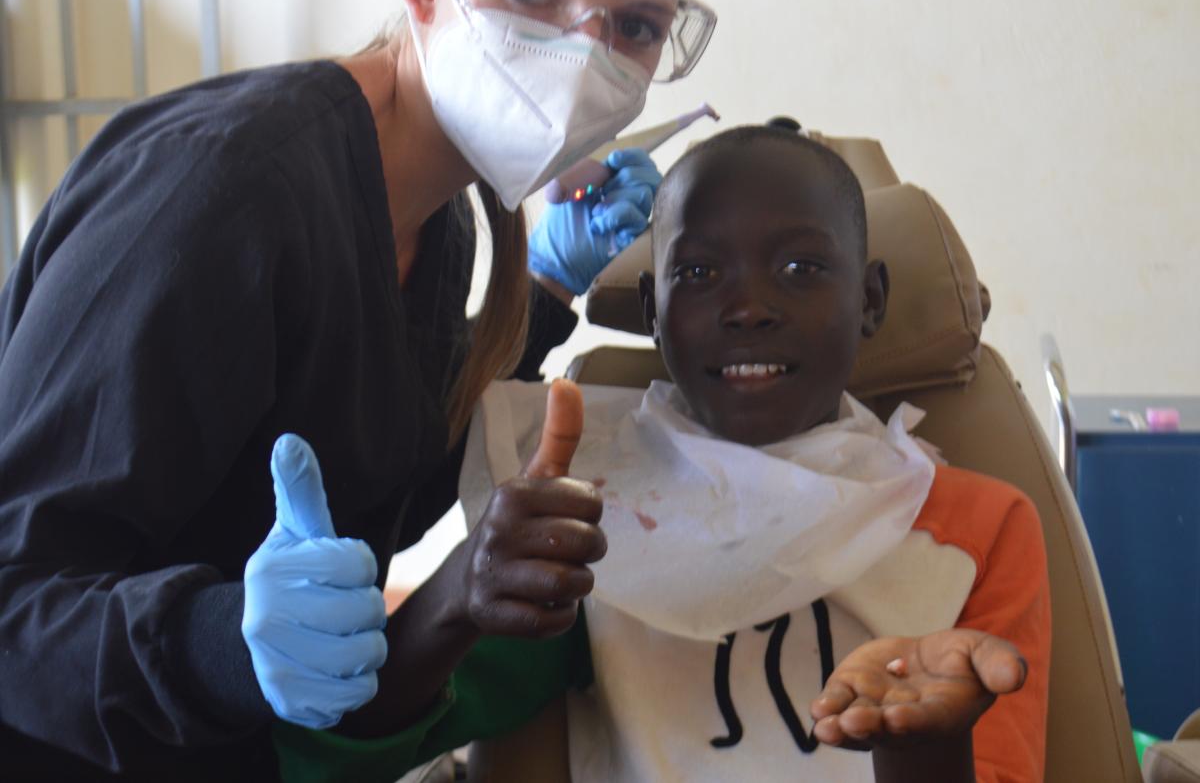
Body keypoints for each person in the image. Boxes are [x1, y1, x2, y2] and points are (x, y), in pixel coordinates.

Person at [0, 0, 719, 780]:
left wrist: (539, 295)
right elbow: (17, 608)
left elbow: (379, 480)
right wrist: (221, 642)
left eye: (637, 28)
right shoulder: (221, 197)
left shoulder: (442, 221)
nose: (582, 57)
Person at [286, 124, 1051, 782]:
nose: (749, 306)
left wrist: (925, 747)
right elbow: (344, 754)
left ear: (871, 300)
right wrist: (459, 590)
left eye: (799, 269)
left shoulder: (976, 526)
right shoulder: (589, 511)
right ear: (653, 311)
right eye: (698, 272)